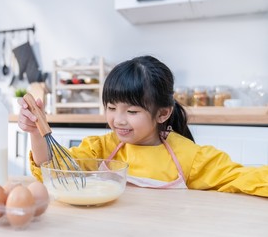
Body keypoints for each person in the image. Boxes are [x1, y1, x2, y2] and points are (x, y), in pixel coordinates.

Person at [17, 55, 268, 197]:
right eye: (112, 108)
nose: (118, 119)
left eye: (132, 111)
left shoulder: (189, 157)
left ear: (163, 113)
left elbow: (241, 177)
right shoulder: (101, 148)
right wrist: (35, 132)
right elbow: (54, 171)